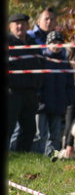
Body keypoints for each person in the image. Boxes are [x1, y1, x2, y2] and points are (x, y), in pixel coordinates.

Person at [32, 31, 74, 157]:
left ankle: (53, 158)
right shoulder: (42, 60)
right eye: (54, 42)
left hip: (58, 105)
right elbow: (36, 81)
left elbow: (70, 84)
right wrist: (38, 96)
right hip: (42, 104)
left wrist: (68, 100)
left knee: (55, 136)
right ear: (48, 44)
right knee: (39, 134)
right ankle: (37, 157)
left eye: (59, 43)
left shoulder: (65, 63)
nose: (56, 45)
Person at [7, 13, 45, 152]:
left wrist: (38, 82)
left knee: (30, 128)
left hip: (31, 93)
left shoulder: (33, 44)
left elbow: (42, 65)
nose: (20, 26)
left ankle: (21, 155)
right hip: (12, 92)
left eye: (23, 23)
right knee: (8, 127)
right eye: (17, 24)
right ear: (10, 26)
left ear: (28, 26)